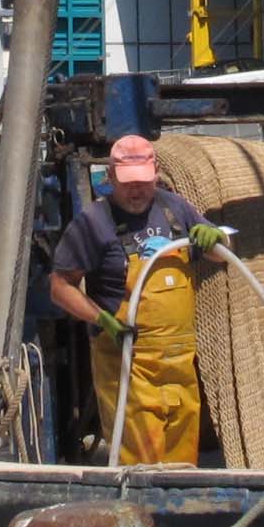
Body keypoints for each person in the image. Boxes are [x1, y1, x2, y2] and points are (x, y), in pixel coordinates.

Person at [49, 134, 224, 465]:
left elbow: (221, 255)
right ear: (110, 178)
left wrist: (216, 240)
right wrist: (101, 319)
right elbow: (59, 287)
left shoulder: (175, 209)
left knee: (184, 464)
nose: (136, 191)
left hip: (179, 365)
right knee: (141, 464)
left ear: (155, 174)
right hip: (128, 364)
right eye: (128, 183)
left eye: (143, 182)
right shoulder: (94, 222)